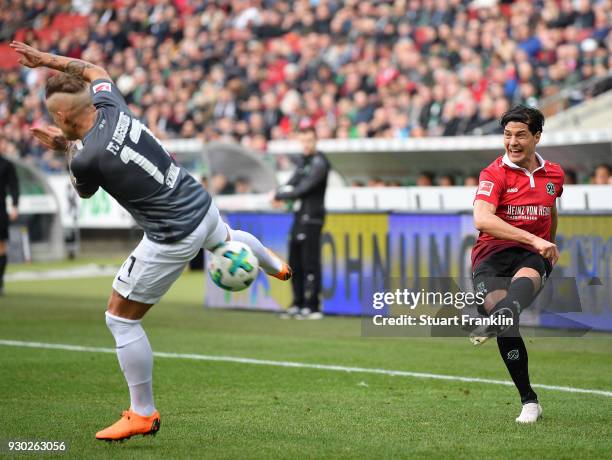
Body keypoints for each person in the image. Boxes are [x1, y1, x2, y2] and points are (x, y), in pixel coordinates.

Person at [10, 41, 292, 441]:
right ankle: (272, 264)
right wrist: (45, 60)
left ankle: (142, 412)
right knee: (224, 236)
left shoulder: (85, 158)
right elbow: (92, 67)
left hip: (170, 234)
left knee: (120, 318)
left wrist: (63, 145)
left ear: (59, 115)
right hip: (197, 202)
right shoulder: (113, 105)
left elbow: (86, 187)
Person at [470, 105, 564, 424]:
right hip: (492, 256)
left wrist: (547, 244)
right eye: (507, 134)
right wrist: (536, 239)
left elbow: (551, 212)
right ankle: (530, 400)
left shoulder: (554, 174)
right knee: (505, 318)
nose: (512, 141)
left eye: (520, 134)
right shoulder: (493, 173)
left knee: (508, 310)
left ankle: (528, 403)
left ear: (536, 136)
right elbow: (482, 218)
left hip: (530, 257)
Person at [273, 127, 330, 320]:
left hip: (313, 218)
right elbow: (293, 181)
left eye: (309, 141)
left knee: (310, 262)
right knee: (295, 261)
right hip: (300, 216)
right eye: (303, 141)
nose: (306, 145)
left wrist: (281, 194)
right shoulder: (303, 162)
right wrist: (279, 191)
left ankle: (312, 305)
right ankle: (297, 303)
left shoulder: (319, 162)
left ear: (315, 141)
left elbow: (304, 188)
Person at [0, 153, 20, 295]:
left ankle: (0, 281)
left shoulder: (6, 164)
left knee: (1, 246)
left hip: (0, 210)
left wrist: (14, 205)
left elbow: (13, 186)